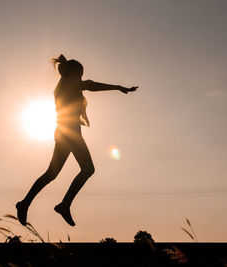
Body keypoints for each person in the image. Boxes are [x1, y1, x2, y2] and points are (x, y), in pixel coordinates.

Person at [16, 54, 137, 226]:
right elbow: (91, 85)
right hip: (70, 133)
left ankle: (25, 203)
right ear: (73, 72)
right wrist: (118, 87)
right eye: (80, 73)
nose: (81, 77)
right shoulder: (67, 83)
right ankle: (63, 205)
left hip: (64, 133)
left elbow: (87, 87)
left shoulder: (66, 84)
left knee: (52, 173)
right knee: (87, 169)